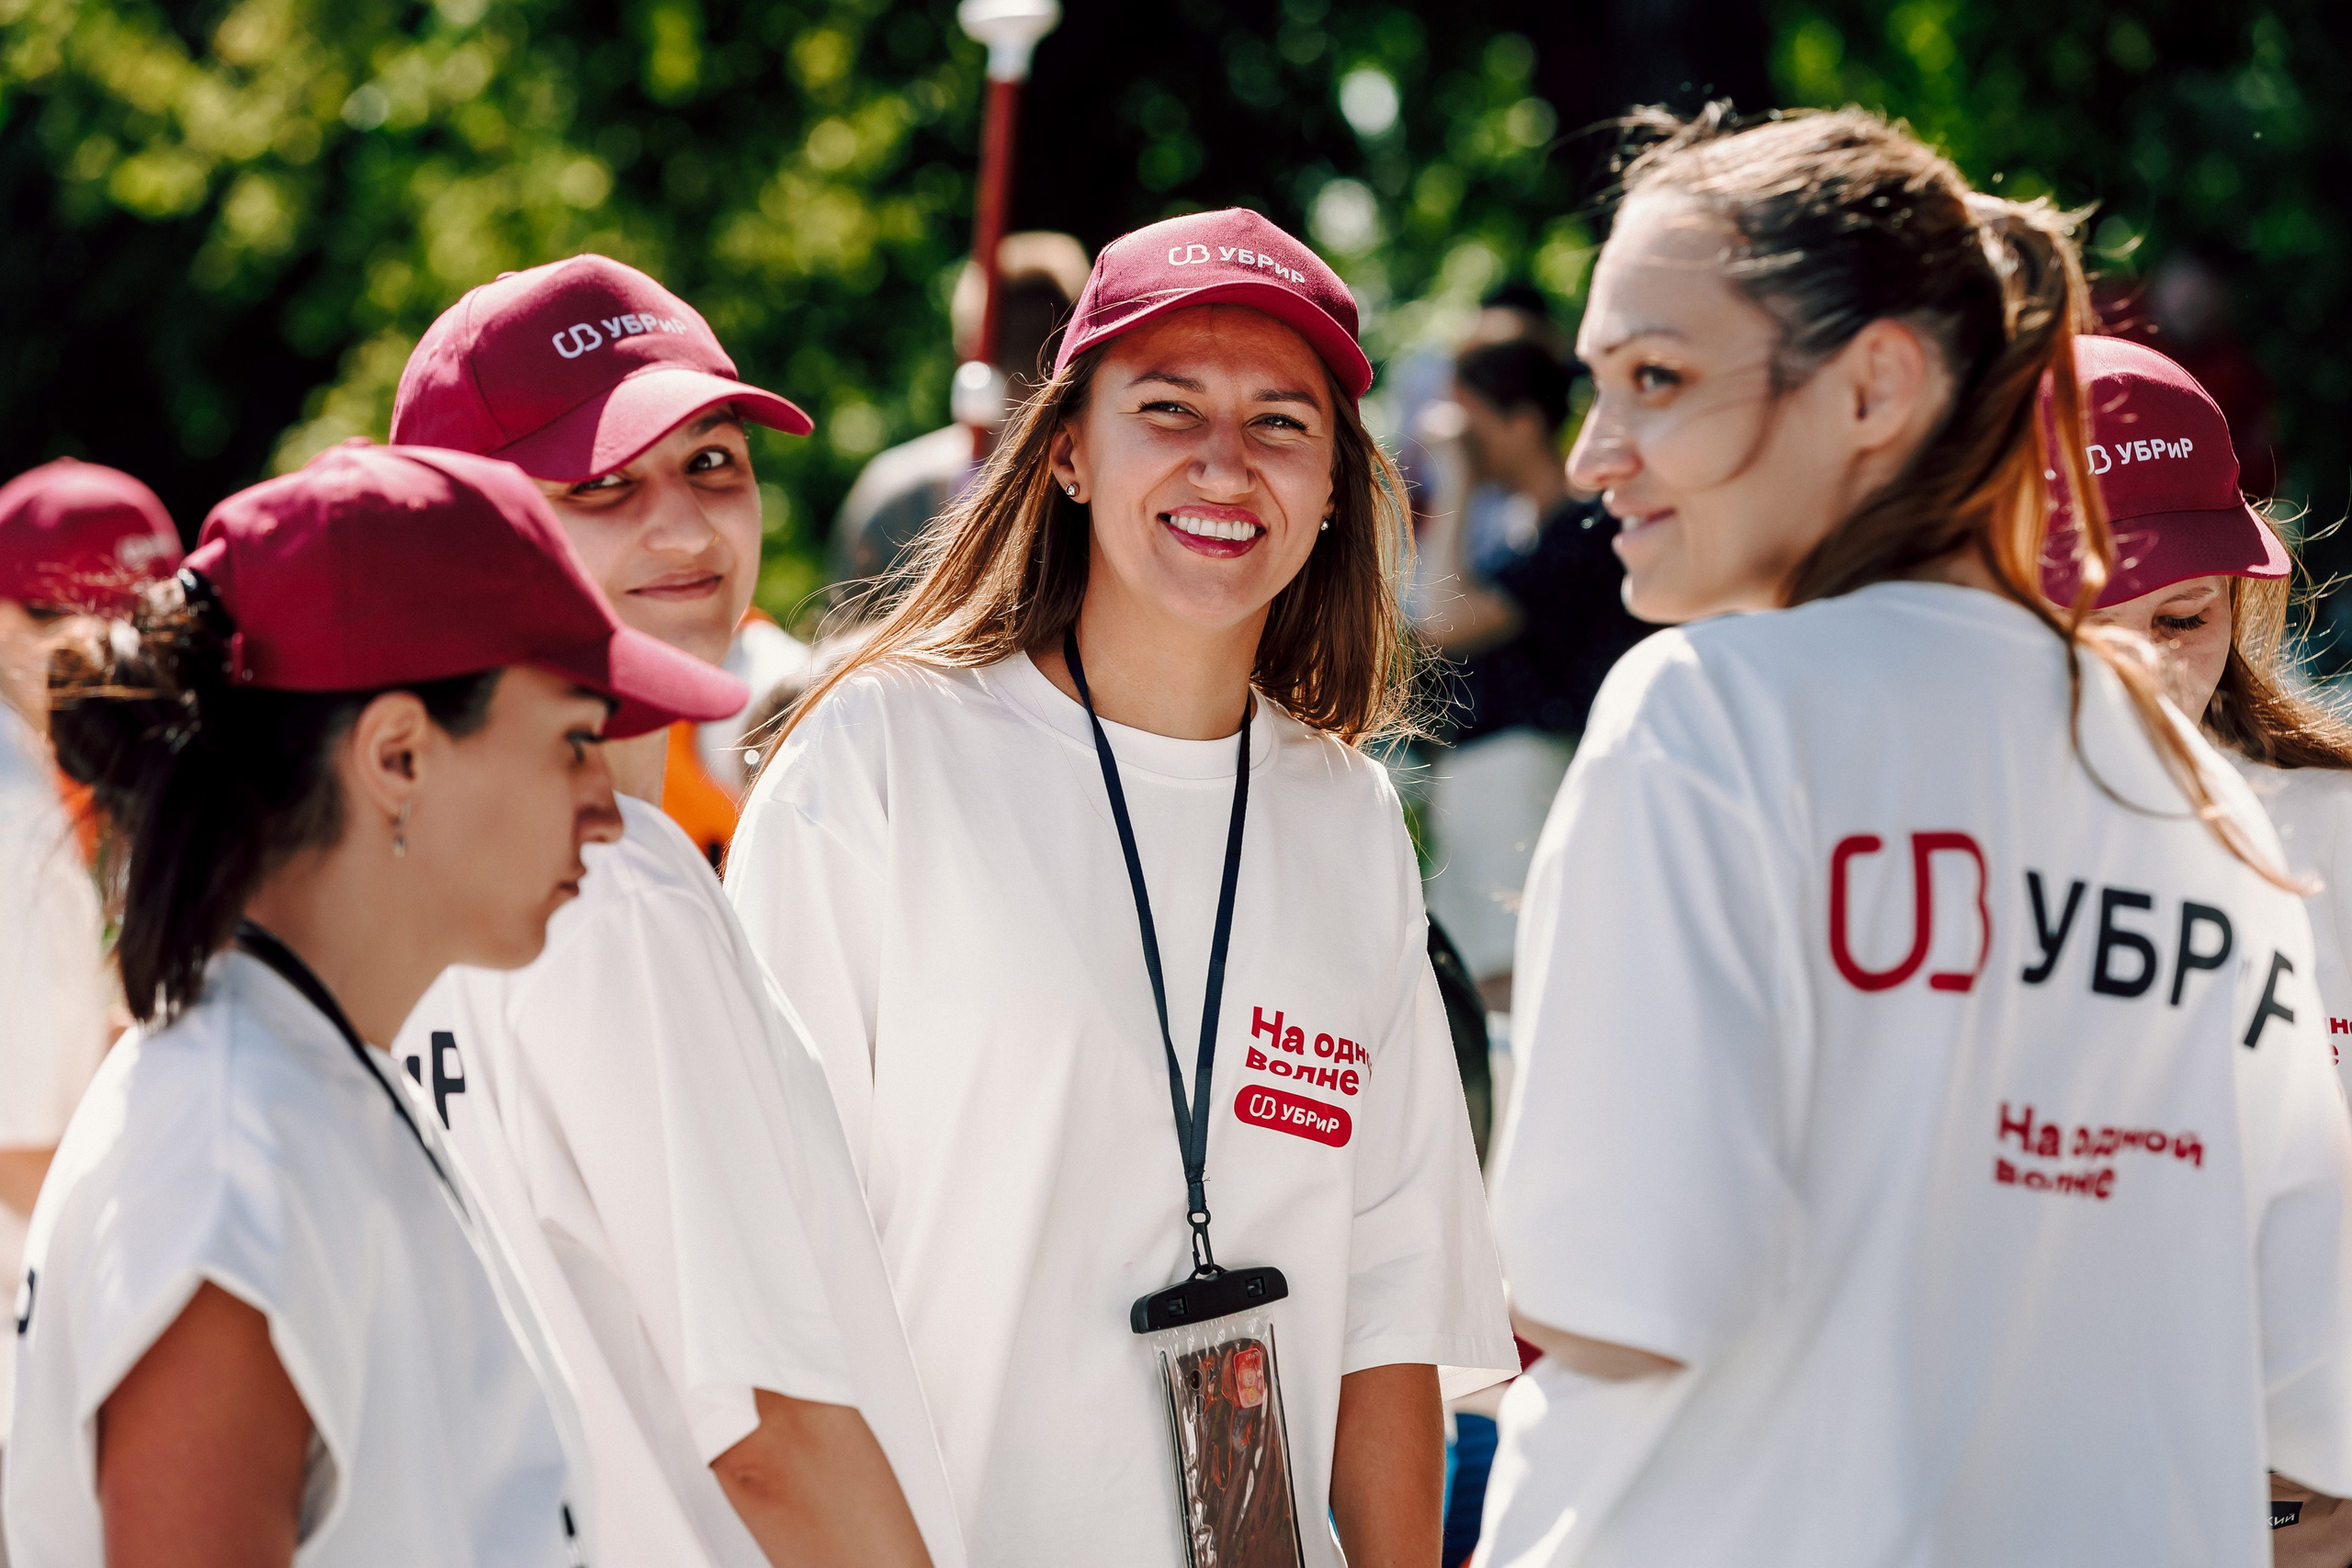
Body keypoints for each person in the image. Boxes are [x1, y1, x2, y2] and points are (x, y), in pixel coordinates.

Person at [1478, 106, 2352, 1568]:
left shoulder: (1710, 715)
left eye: (1656, 378)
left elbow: (1604, 1295)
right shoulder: (2202, 803)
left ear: (1877, 383)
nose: (1591, 456)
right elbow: (2308, 1382)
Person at [726, 207, 1517, 1568]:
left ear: (1335, 487)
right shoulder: (880, 759)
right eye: (1168, 406)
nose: (1226, 462)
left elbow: (1393, 1319)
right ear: (1072, 451)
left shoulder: (1348, 817)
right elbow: (764, 1295)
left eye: (1282, 422)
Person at [7, 442, 750, 1565]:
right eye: (572, 742)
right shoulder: (226, 1158)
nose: (604, 808)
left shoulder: (313, 1077)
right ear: (398, 756)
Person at [388, 254, 960, 1568]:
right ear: (470, 525)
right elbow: (771, 1432)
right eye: (601, 487)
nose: (688, 531)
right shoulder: (609, 889)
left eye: (713, 464)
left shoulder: (418, 877)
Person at [2030, 334, 2352, 1567]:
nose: (2152, 669)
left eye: (2183, 615)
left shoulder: (2335, 833)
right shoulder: (1923, 868)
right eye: (2089, 622)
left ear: (2246, 597)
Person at [0, 458, 181, 1565]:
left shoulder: (54, 779)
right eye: (47, 613)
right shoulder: (13, 819)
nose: (81, 644)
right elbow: (23, 1148)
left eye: (121, 618)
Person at [1412, 334, 1651, 1009]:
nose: (1457, 439)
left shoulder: (1582, 529)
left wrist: (1453, 482)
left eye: (1469, 422)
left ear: (1521, 422)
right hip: (1494, 777)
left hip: (1524, 772)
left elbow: (1441, 619)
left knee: (1512, 983)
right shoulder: (1530, 528)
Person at [827, 231, 1091, 613]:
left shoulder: (1103, 497)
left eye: (1043, 343)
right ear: (969, 358)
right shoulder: (900, 499)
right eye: (1009, 344)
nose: (1028, 375)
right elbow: (845, 645)